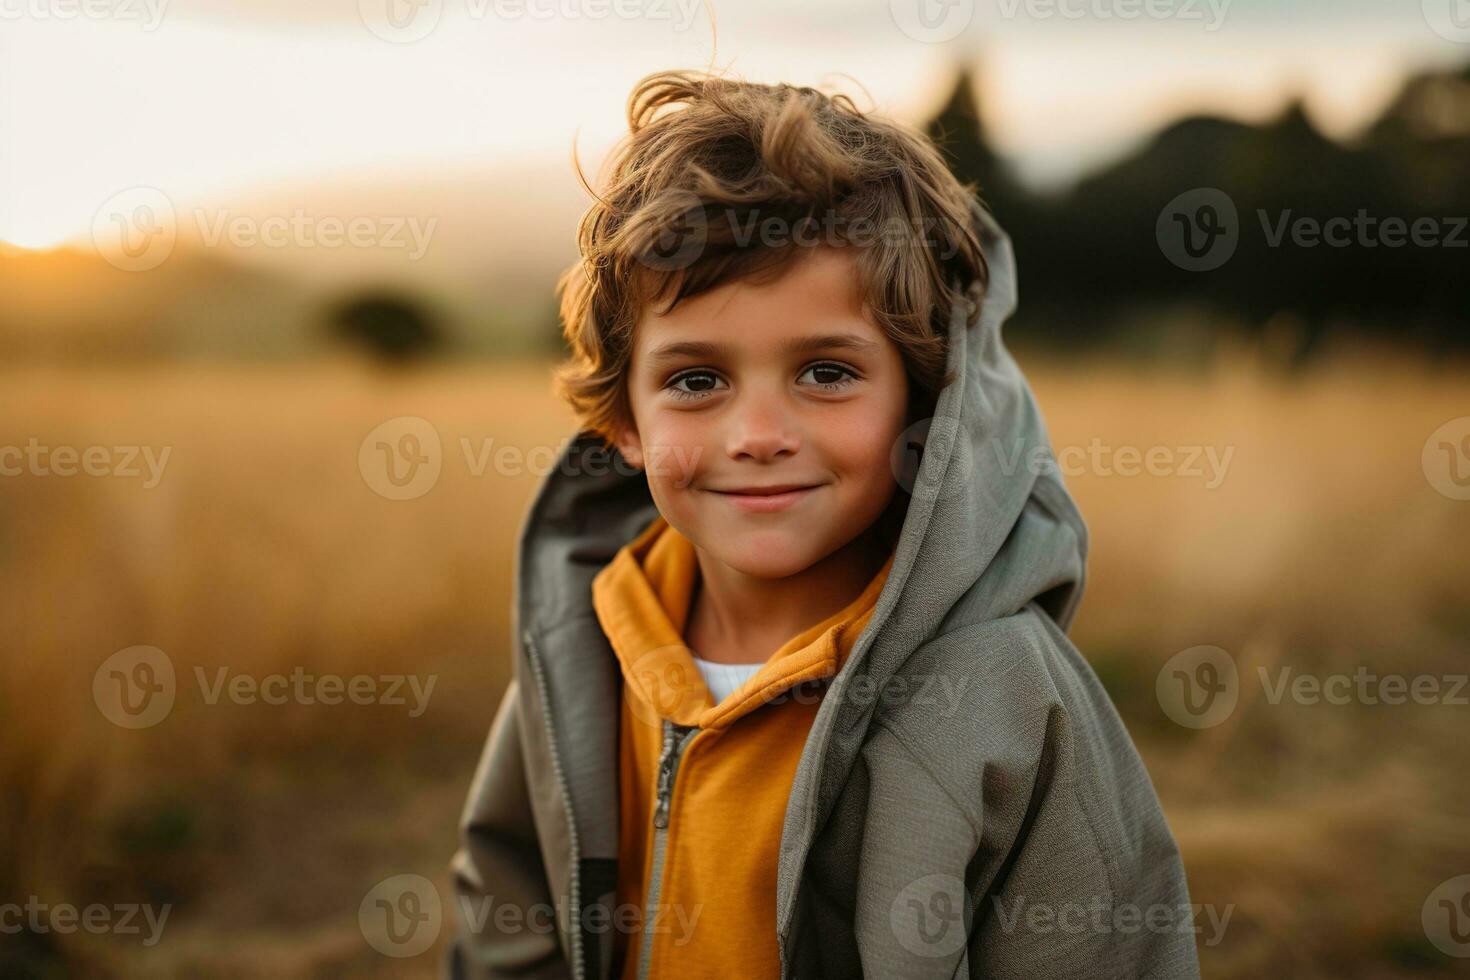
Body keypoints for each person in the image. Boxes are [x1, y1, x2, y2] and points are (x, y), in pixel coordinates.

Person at [447, 69, 1200, 980]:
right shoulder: (585, 646)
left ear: (924, 407)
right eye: (696, 381)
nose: (759, 436)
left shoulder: (1006, 698)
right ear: (624, 424)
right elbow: (504, 916)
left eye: (827, 373)